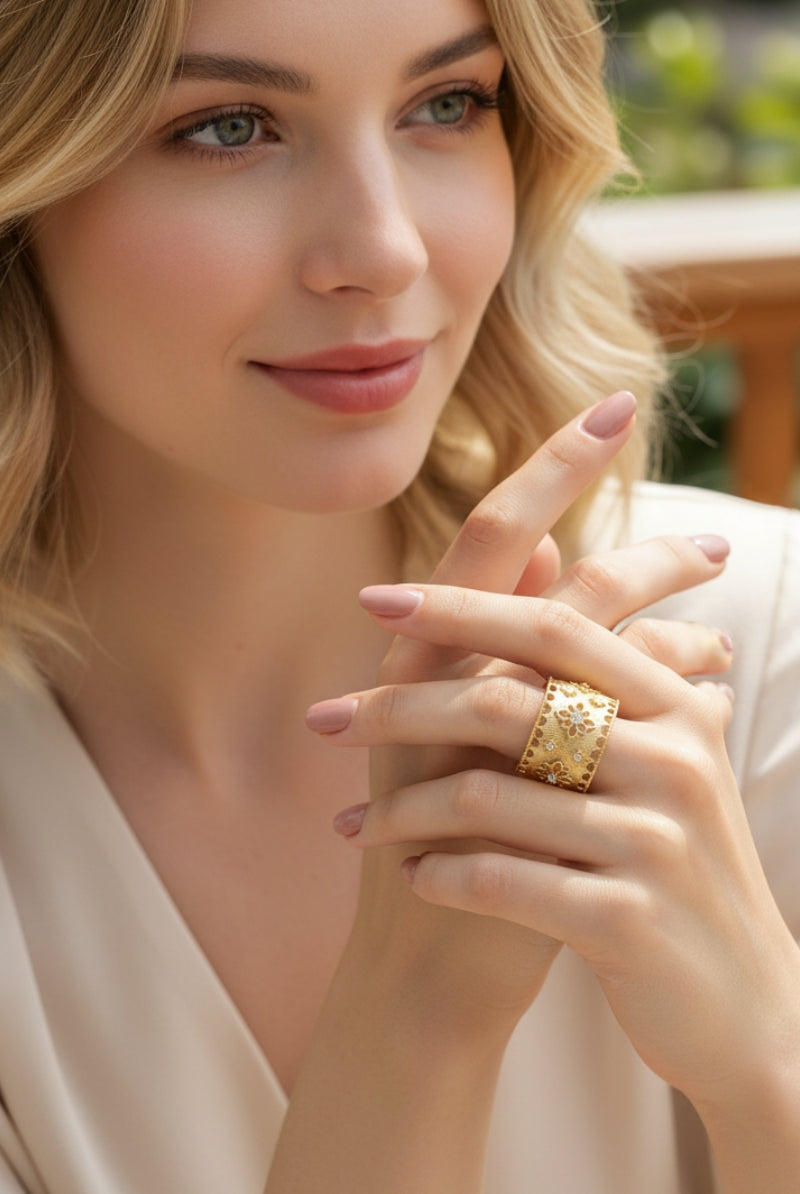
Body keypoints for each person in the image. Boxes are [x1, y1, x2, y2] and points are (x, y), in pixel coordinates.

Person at [0, 0, 798, 1191]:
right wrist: (418, 1020)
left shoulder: (752, 639)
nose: (384, 250)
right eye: (228, 127)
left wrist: (767, 1064)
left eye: (446, 104)